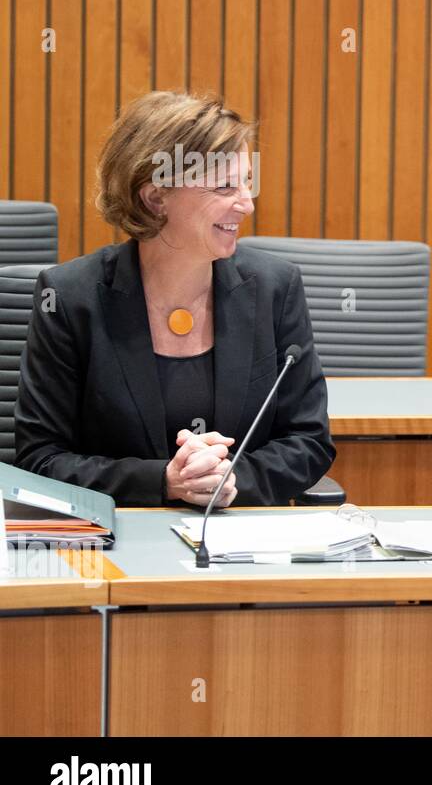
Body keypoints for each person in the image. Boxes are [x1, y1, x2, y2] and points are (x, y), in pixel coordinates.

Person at [15, 91, 335, 507]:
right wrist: (162, 481)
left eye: (247, 183)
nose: (247, 204)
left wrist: (230, 479)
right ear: (155, 197)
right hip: (118, 545)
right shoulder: (70, 298)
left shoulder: (275, 288)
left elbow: (308, 440)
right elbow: (40, 458)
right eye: (224, 186)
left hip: (240, 543)